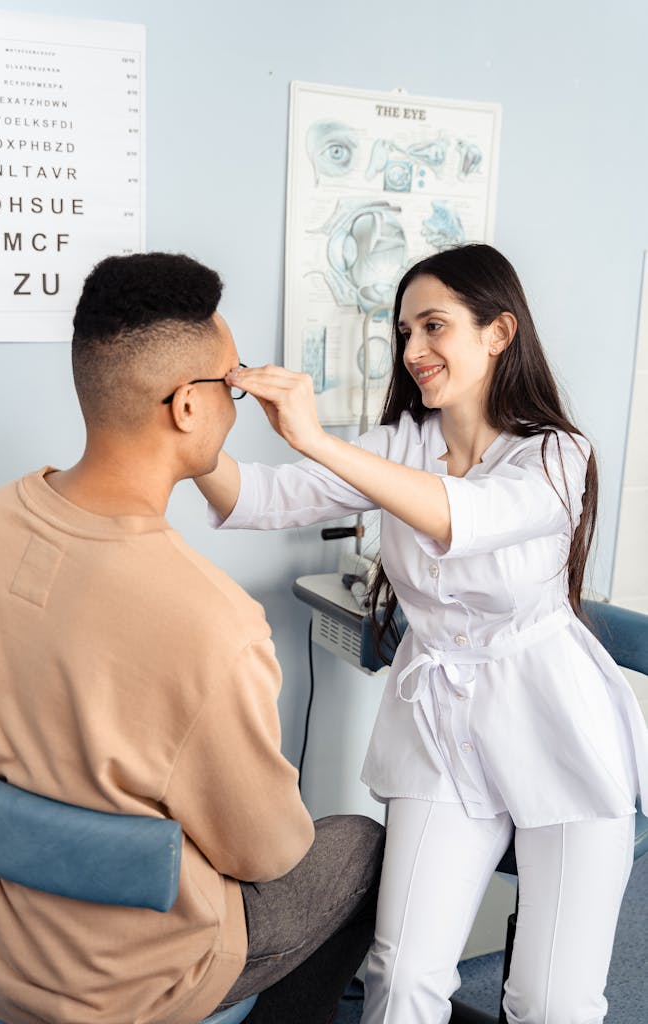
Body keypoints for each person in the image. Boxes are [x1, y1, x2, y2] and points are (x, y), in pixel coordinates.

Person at [196, 243, 648, 1024]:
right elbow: (258, 495)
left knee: (550, 1001)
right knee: (400, 977)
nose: (412, 351)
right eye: (403, 331)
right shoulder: (400, 445)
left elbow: (458, 517)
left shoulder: (555, 455)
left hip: (557, 730)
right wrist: (180, 420)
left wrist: (314, 435)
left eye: (433, 326)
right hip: (440, 732)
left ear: (498, 332)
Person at [0, 252, 385, 1024]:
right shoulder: (212, 623)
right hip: (126, 982)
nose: (236, 399)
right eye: (232, 383)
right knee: (357, 846)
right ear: (187, 408)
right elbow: (268, 856)